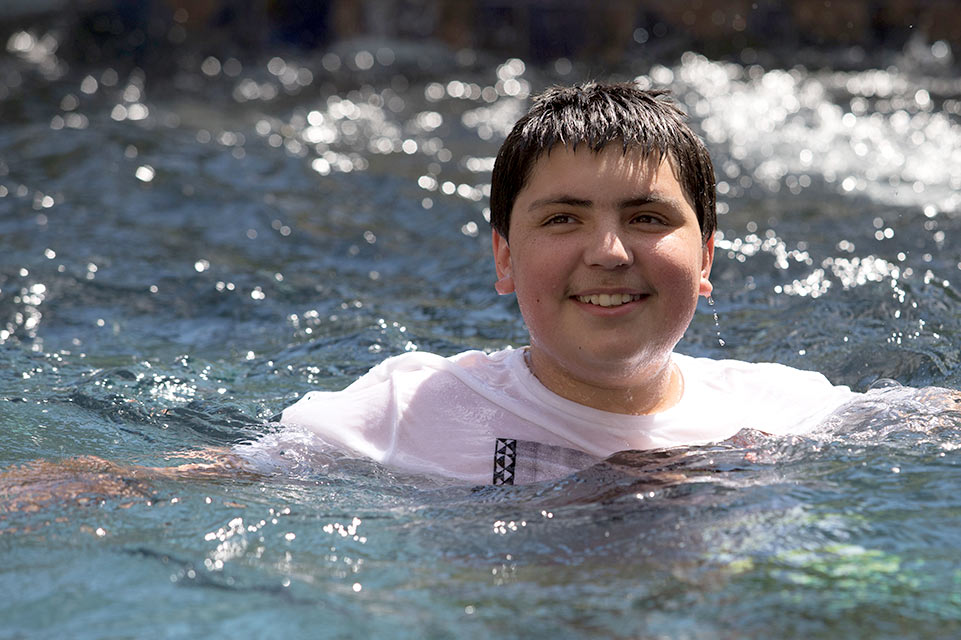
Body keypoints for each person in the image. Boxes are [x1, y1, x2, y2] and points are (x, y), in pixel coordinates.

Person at [234, 82, 859, 486]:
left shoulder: (786, 411)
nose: (609, 253)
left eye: (647, 218)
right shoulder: (413, 407)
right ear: (504, 259)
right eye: (564, 219)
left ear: (705, 261)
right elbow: (215, 476)